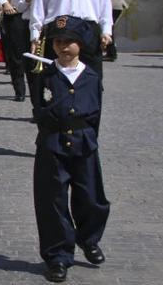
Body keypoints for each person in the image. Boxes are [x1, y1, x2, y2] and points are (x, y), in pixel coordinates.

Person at [32, 15, 110, 283]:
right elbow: (39, 109)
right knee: (52, 201)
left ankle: (89, 239)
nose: (63, 47)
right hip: (52, 145)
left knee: (91, 197)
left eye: (69, 42)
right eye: (57, 42)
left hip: (84, 143)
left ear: (81, 44)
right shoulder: (46, 76)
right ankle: (58, 256)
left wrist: (90, 139)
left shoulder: (90, 76)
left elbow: (96, 113)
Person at [23, 0, 52, 110]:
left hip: (49, 25)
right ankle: (37, 107)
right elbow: (18, 6)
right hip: (29, 23)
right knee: (33, 71)